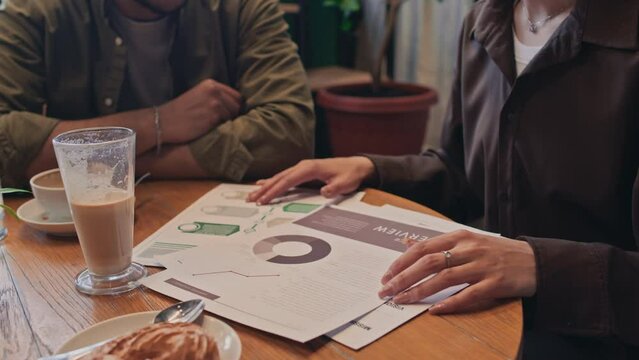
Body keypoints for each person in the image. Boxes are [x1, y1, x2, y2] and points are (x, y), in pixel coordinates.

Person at [248, 0, 639, 358]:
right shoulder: (484, 20)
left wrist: (539, 266)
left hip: (598, 339)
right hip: (485, 317)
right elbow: (463, 170)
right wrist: (373, 168)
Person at [0, 0, 314, 187]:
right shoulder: (37, 11)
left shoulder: (243, 7)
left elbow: (289, 132)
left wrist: (104, 162)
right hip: (73, 244)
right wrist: (157, 123)